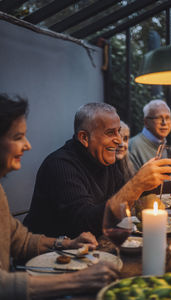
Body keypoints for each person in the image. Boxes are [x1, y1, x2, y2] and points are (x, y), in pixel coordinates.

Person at [0, 94, 120, 300]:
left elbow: (20, 240)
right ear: (84, 138)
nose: (28, 145)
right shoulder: (60, 165)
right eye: (17, 137)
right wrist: (77, 281)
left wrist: (67, 244)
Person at [24, 102, 171, 239]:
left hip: (89, 250)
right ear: (84, 138)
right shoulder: (60, 166)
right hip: (48, 260)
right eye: (110, 133)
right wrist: (137, 184)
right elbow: (85, 224)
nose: (118, 140)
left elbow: (126, 193)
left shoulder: (106, 160)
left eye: (118, 131)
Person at [128, 99, 171, 172]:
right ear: (146, 122)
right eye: (159, 118)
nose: (164, 123)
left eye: (167, 118)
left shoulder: (164, 145)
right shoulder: (133, 146)